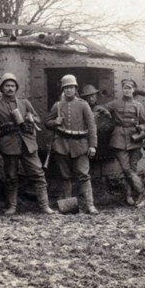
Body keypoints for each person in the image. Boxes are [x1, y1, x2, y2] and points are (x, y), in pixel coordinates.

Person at [0, 73, 56, 215]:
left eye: (13, 86)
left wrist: (31, 118)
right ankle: (12, 206)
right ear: (2, 88)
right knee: (11, 177)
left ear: (16, 88)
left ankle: (44, 206)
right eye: (7, 86)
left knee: (38, 173)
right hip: (9, 144)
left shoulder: (24, 102)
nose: (10, 89)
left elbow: (37, 118)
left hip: (27, 143)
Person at [45, 74, 99, 214]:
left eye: (71, 87)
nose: (69, 90)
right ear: (63, 90)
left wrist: (92, 145)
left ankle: (90, 205)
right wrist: (54, 122)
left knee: (83, 175)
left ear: (76, 89)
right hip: (61, 145)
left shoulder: (83, 104)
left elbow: (92, 126)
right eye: (66, 88)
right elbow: (47, 123)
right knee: (65, 176)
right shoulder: (57, 105)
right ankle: (68, 206)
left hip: (80, 144)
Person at [104, 79, 145, 205]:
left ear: (133, 90)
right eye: (125, 88)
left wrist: (141, 128)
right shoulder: (115, 103)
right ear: (122, 89)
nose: (127, 90)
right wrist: (105, 111)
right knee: (126, 169)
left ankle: (129, 195)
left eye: (130, 88)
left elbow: (144, 123)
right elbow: (101, 107)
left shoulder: (139, 105)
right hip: (119, 137)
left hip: (134, 138)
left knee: (132, 168)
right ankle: (142, 191)